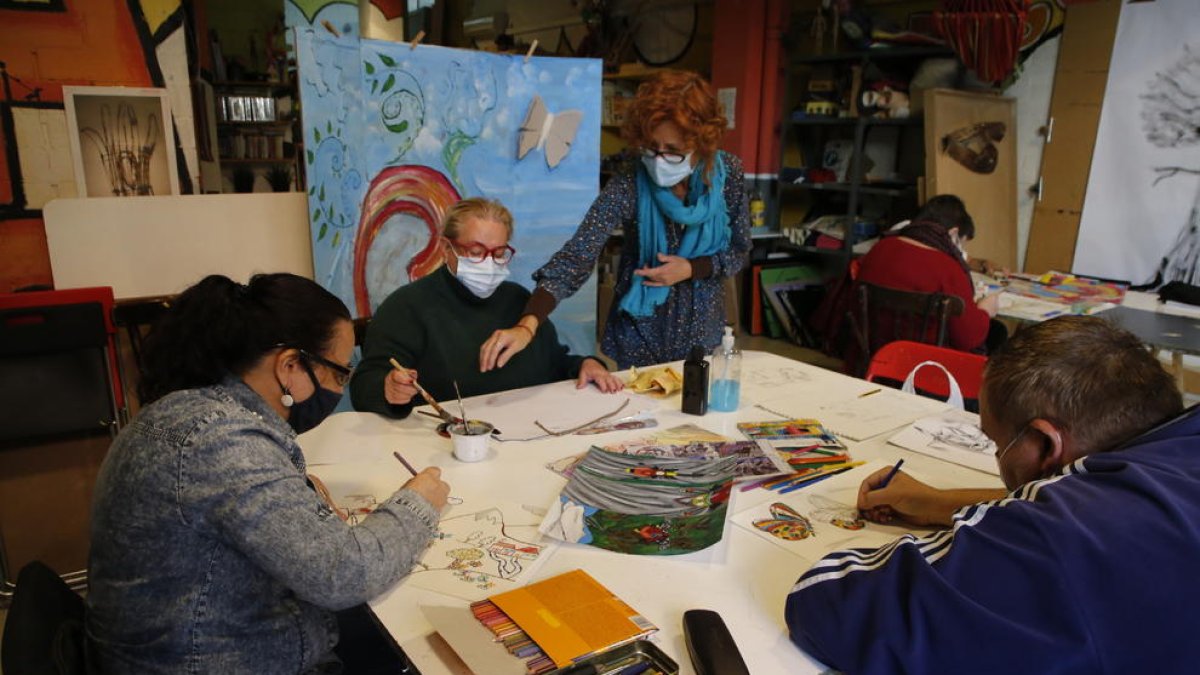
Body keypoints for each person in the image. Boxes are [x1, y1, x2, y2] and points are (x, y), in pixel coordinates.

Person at [784, 315, 1196, 673]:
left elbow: (829, 606)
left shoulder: (1068, 536)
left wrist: (991, 521)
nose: (998, 458)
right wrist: (937, 502)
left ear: (1046, 446)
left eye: (997, 443)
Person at [87, 273, 450, 674]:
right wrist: (419, 502)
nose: (339, 385)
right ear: (289, 365)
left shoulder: (192, 413)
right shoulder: (221, 440)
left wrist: (296, 489)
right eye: (338, 372)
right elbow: (344, 574)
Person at [478, 70, 752, 371]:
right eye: (651, 148)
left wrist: (692, 268)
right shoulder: (631, 181)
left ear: (701, 144)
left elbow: (738, 250)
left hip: (702, 328)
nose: (659, 161)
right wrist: (527, 325)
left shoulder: (729, 176)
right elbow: (578, 255)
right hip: (639, 331)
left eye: (673, 151)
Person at [350, 197, 621, 420]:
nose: (489, 263)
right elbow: (364, 387)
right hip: (447, 444)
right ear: (446, 248)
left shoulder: (518, 301)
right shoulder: (407, 307)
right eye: (476, 252)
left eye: (499, 253)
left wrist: (587, 364)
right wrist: (388, 388)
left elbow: (556, 363)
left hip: (529, 431)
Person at [856, 194, 1006, 354]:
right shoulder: (948, 268)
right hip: (922, 363)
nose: (960, 253)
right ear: (953, 234)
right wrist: (985, 311)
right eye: (961, 246)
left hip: (870, 352)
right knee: (996, 332)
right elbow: (968, 340)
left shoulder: (880, 248)